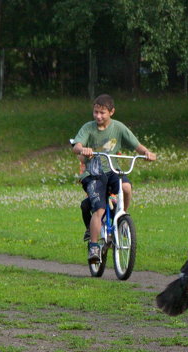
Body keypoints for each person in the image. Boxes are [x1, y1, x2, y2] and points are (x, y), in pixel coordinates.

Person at [71, 94, 156, 264]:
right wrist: (83, 149)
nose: (98, 116)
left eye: (102, 113)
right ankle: (94, 246)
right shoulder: (88, 128)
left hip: (112, 171)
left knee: (126, 188)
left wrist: (147, 153)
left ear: (112, 112)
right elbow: (76, 146)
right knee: (100, 210)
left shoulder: (119, 128)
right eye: (95, 112)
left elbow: (136, 145)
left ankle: (121, 215)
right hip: (93, 173)